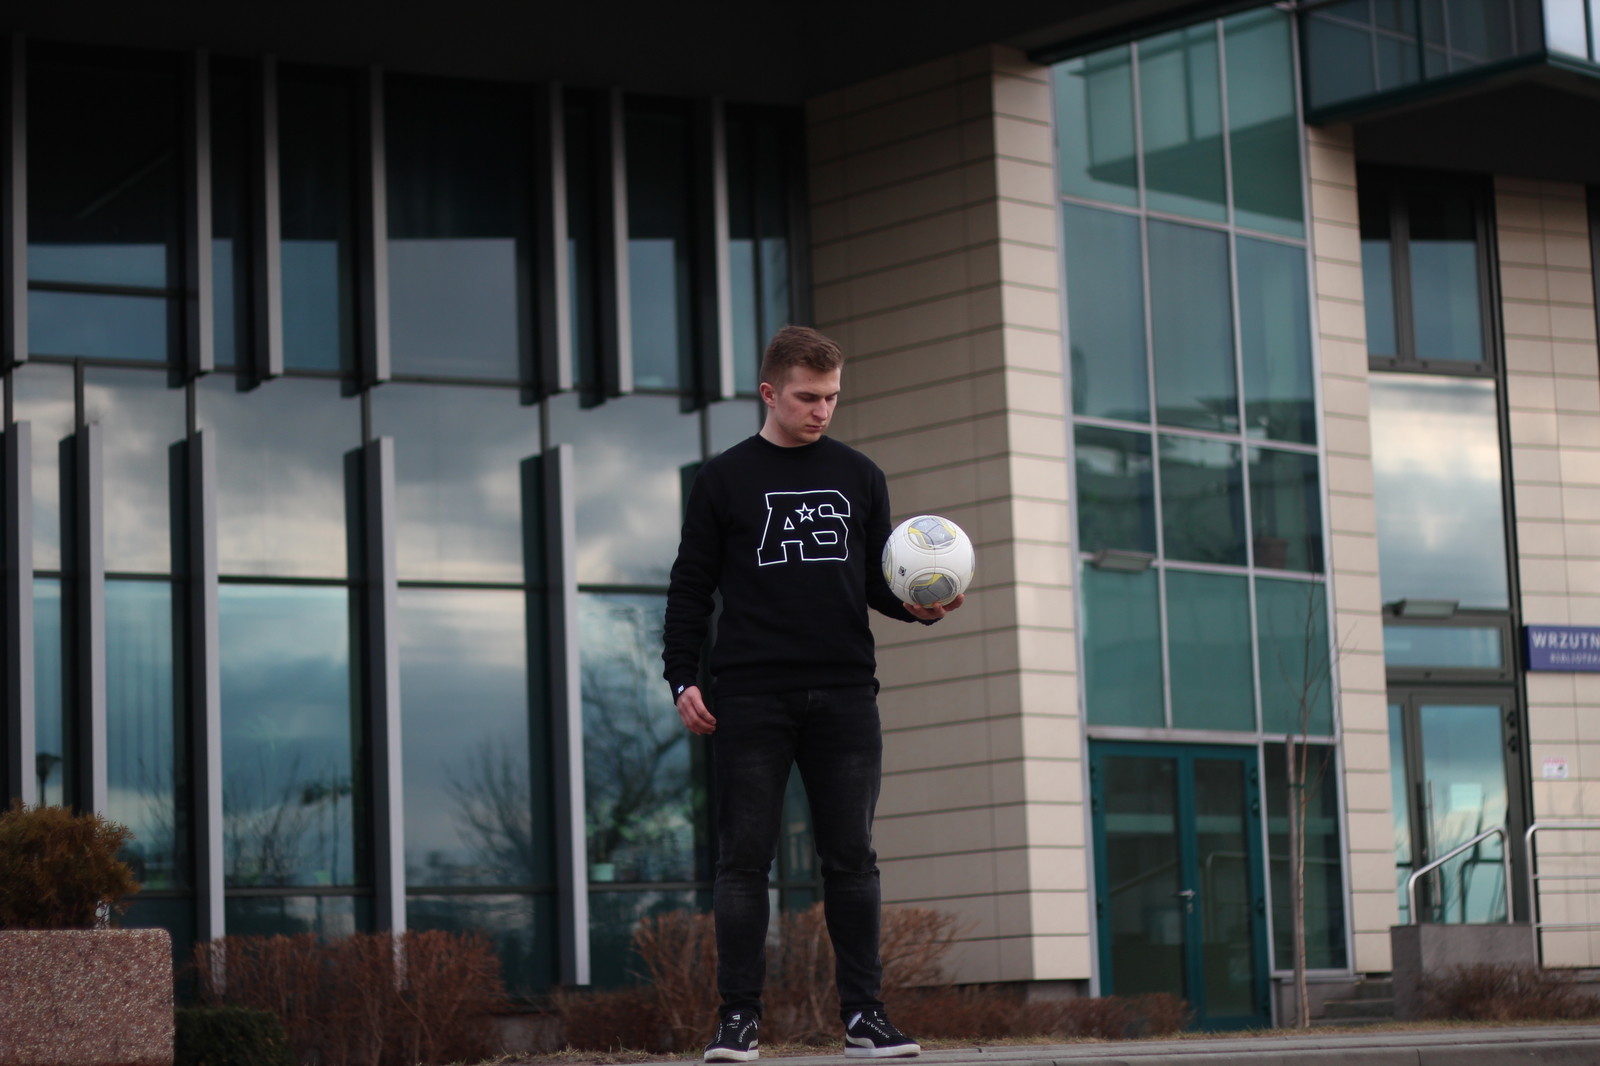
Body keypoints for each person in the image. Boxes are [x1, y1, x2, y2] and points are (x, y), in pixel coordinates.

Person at [662, 325, 964, 1062]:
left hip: (845, 693)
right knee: (744, 862)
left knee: (852, 859)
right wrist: (682, 676)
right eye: (807, 397)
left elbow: (877, 583)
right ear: (770, 393)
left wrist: (919, 609)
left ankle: (865, 1017)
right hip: (750, 696)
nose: (821, 410)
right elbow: (691, 586)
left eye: (831, 397)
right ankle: (738, 1021)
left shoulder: (860, 474)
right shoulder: (724, 479)